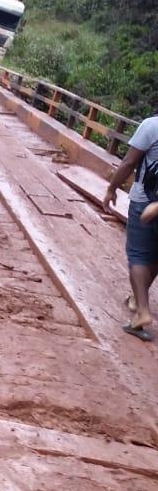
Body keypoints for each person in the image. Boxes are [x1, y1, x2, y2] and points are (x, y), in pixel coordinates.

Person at [103, 112, 158, 341]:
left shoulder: (152, 125)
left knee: (137, 254)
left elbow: (129, 162)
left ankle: (142, 313)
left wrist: (112, 188)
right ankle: (138, 298)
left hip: (145, 201)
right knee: (155, 255)